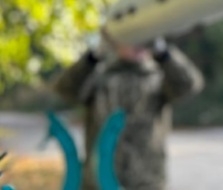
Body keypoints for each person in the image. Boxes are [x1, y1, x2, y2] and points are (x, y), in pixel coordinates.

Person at [54, 31, 203, 190]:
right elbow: (66, 89)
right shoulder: (100, 78)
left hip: (147, 182)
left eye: (142, 41)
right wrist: (92, 57)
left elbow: (189, 85)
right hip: (98, 182)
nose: (137, 45)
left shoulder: (158, 77)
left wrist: (164, 54)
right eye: (132, 39)